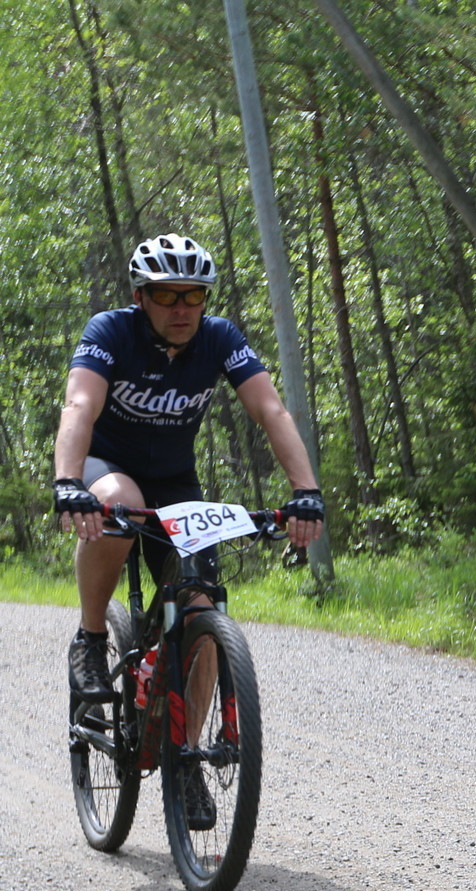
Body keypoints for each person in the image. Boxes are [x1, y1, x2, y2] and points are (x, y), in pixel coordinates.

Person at [53, 233, 326, 825]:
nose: (181, 308)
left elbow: (270, 410)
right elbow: (79, 407)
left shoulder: (220, 338)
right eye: (166, 295)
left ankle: (186, 759)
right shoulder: (110, 332)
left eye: (193, 296)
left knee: (200, 611)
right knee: (121, 503)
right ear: (140, 297)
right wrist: (68, 481)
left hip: (175, 481)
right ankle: (91, 638)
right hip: (107, 468)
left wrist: (305, 492)